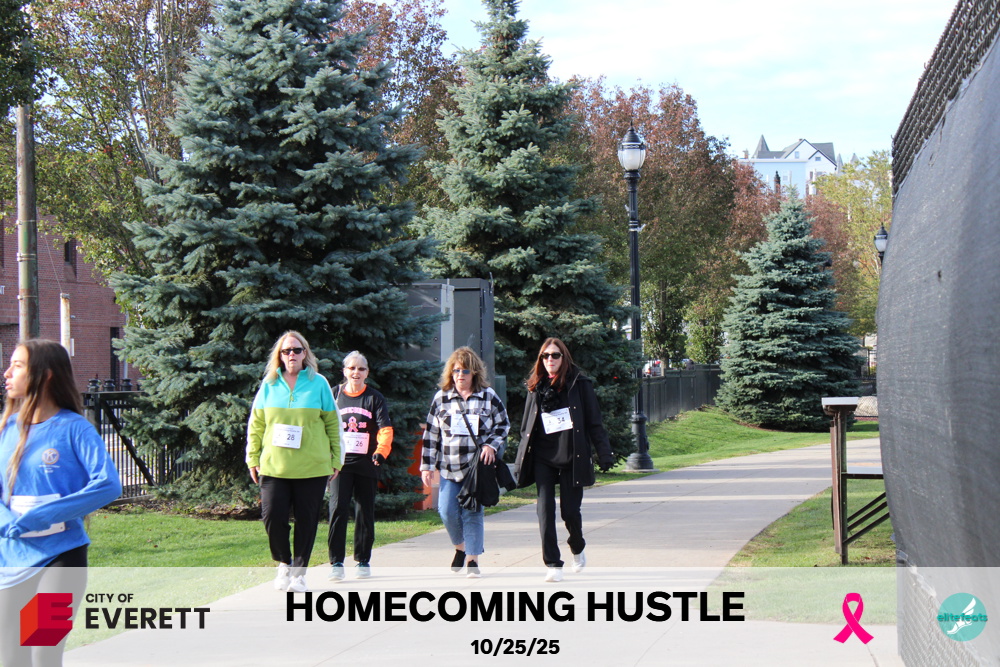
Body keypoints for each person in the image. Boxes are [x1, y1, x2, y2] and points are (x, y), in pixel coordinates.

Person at [0, 339, 123, 666]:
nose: (7, 373)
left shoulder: (75, 429)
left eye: (17, 366)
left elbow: (108, 484)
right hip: (12, 561)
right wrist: (5, 521)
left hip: (61, 559)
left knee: (43, 651)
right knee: (11, 659)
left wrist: (48, 514)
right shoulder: (6, 429)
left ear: (45, 374)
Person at [246, 331, 341, 593]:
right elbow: (256, 425)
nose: (291, 355)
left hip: (312, 466)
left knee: (306, 521)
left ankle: (299, 574)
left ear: (305, 353)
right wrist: (252, 457)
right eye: (286, 351)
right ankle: (283, 563)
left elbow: (333, 424)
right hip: (274, 466)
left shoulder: (318, 383)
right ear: (279, 355)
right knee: (272, 517)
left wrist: (337, 458)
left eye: (297, 350)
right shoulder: (269, 384)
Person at [514, 338, 614, 582]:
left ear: (564, 358)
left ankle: (577, 545)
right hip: (543, 457)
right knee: (544, 511)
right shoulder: (535, 386)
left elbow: (594, 422)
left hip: (572, 456)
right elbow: (526, 427)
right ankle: (553, 564)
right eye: (545, 356)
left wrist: (604, 453)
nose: (550, 359)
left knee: (570, 511)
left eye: (555, 355)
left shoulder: (580, 385)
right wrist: (519, 461)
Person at [420, 347, 509, 578]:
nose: (460, 375)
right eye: (456, 370)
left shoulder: (488, 396)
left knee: (473, 513)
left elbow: (503, 424)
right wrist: (427, 466)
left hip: (476, 469)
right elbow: (431, 435)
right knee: (447, 511)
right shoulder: (441, 398)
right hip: (449, 467)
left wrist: (491, 445)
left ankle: (472, 560)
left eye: (465, 371)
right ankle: (460, 547)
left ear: (474, 372)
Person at [327, 351, 392, 581]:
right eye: (352, 368)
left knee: (364, 511)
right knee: (337, 509)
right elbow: (323, 425)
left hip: (367, 463)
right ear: (344, 371)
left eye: (361, 368)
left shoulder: (374, 398)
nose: (356, 372)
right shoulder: (334, 394)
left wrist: (381, 452)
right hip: (340, 465)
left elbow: (385, 429)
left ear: (367, 373)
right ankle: (336, 562)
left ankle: (363, 560)